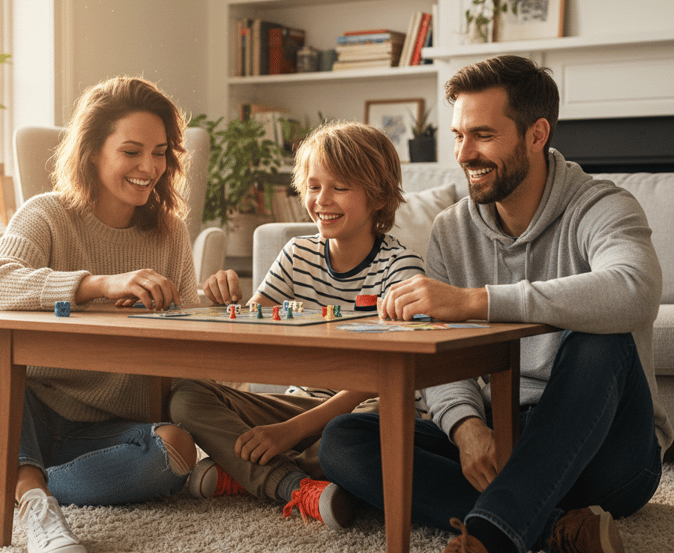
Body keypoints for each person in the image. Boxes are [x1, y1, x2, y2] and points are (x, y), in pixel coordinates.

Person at [319, 55, 673, 553]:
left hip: (608, 453)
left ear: (536, 134)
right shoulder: (452, 228)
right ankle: (557, 528)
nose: (465, 153)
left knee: (600, 339)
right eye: (459, 135)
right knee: (343, 440)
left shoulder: (602, 205)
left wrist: (476, 302)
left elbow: (635, 289)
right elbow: (436, 347)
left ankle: (493, 534)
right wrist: (466, 428)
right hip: (507, 430)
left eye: (482, 135)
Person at [0, 76, 201, 553]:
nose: (150, 166)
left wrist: (208, 303)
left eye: (161, 152)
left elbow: (188, 331)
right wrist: (98, 284)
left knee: (178, 450)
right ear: (92, 152)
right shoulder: (46, 214)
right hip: (19, 415)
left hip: (109, 427)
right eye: (131, 151)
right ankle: (36, 505)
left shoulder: (170, 232)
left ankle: (6, 487)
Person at [168, 121, 425, 529]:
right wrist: (226, 302)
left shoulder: (401, 268)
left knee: (357, 438)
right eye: (313, 186)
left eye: (340, 187)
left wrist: (289, 431)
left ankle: (245, 475)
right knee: (185, 396)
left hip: (364, 408)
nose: (322, 200)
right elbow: (251, 334)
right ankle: (292, 485)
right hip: (300, 399)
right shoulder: (297, 254)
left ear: (378, 196)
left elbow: (385, 375)